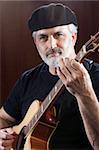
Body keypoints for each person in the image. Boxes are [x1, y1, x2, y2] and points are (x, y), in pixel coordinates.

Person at [0, 3, 99, 150]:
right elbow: (4, 118)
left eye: (58, 35)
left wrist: (84, 94)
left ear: (73, 37)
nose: (51, 45)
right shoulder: (28, 79)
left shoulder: (96, 76)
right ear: (36, 43)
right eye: (43, 37)